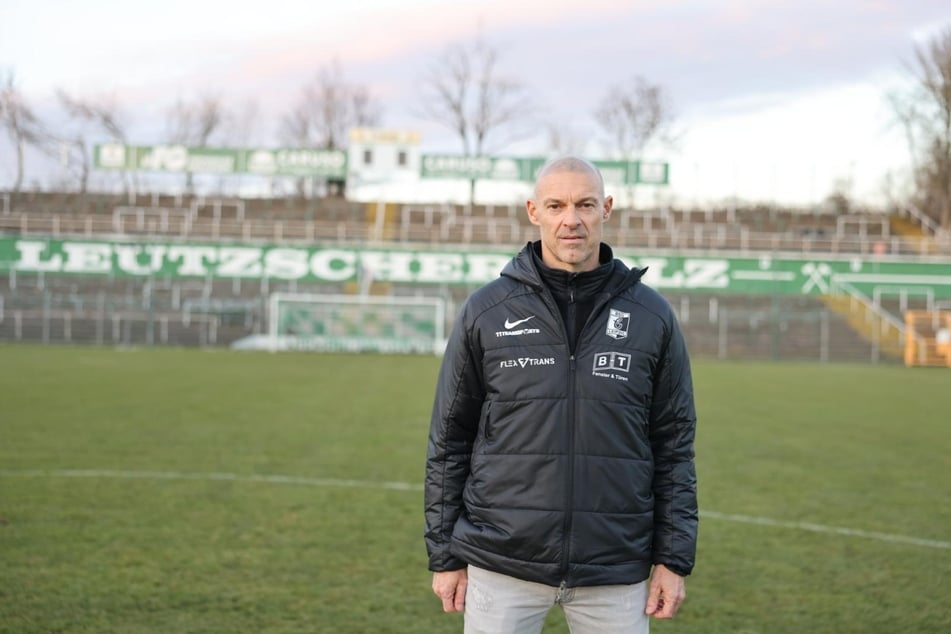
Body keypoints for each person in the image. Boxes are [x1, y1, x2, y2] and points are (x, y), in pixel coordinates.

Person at [424, 155, 698, 633]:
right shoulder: (487, 310)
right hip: (502, 561)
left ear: (607, 208)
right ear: (534, 211)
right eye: (556, 205)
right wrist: (445, 553)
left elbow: (674, 446)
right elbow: (450, 440)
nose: (571, 219)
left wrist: (672, 560)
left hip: (614, 566)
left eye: (585, 204)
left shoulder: (652, 316)